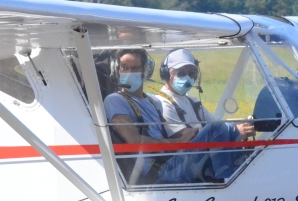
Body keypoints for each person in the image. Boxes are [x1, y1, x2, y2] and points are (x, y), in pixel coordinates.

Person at [103, 49, 243, 185]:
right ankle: (228, 181)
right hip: (158, 172)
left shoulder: (154, 101)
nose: (129, 72)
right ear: (117, 70)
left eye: (135, 68)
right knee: (215, 128)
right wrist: (179, 141)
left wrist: (186, 135)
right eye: (124, 68)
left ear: (145, 71)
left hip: (172, 160)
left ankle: (240, 173)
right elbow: (134, 142)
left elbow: (162, 136)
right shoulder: (115, 100)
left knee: (229, 129)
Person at [156, 48, 256, 140]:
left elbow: (217, 124)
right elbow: (184, 137)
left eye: (191, 73)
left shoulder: (192, 101)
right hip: (187, 157)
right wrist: (234, 131)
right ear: (166, 74)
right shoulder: (162, 103)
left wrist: (243, 126)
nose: (187, 78)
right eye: (181, 73)